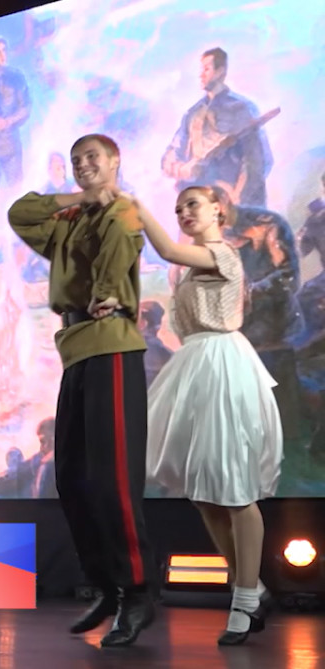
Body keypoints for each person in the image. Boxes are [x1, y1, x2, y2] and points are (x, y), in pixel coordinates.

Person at [7, 134, 156, 647]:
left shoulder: (124, 211)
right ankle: (107, 586)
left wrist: (108, 293)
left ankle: (137, 591)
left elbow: (116, 257)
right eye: (76, 160)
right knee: (71, 477)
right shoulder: (70, 219)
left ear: (115, 161)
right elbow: (21, 213)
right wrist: (77, 198)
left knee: (113, 480)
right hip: (76, 350)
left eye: (93, 157)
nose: (83, 164)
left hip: (111, 345)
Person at [128, 185, 281, 645]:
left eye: (192, 204)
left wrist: (139, 208)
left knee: (234, 488)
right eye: (177, 208)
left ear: (218, 209)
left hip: (222, 366)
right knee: (204, 493)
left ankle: (245, 597)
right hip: (195, 367)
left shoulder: (223, 254)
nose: (183, 212)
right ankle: (251, 587)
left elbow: (169, 248)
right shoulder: (189, 270)